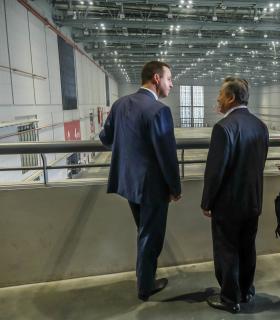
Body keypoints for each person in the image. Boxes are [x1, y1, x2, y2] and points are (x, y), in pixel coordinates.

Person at [99, 61, 181, 301]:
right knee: (150, 236)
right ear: (156, 79)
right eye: (169, 79)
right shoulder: (159, 111)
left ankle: (143, 278)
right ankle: (145, 286)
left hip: (128, 183)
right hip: (152, 187)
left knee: (143, 231)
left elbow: (106, 137)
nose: (171, 83)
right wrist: (175, 188)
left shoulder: (120, 104)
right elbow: (167, 155)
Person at [201, 77, 269, 314]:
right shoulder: (261, 126)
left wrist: (207, 202)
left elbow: (215, 172)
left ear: (231, 98)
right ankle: (246, 290)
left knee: (226, 250)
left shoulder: (223, 128)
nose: (218, 99)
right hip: (253, 200)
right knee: (247, 247)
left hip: (228, 204)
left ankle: (230, 298)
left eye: (220, 94)